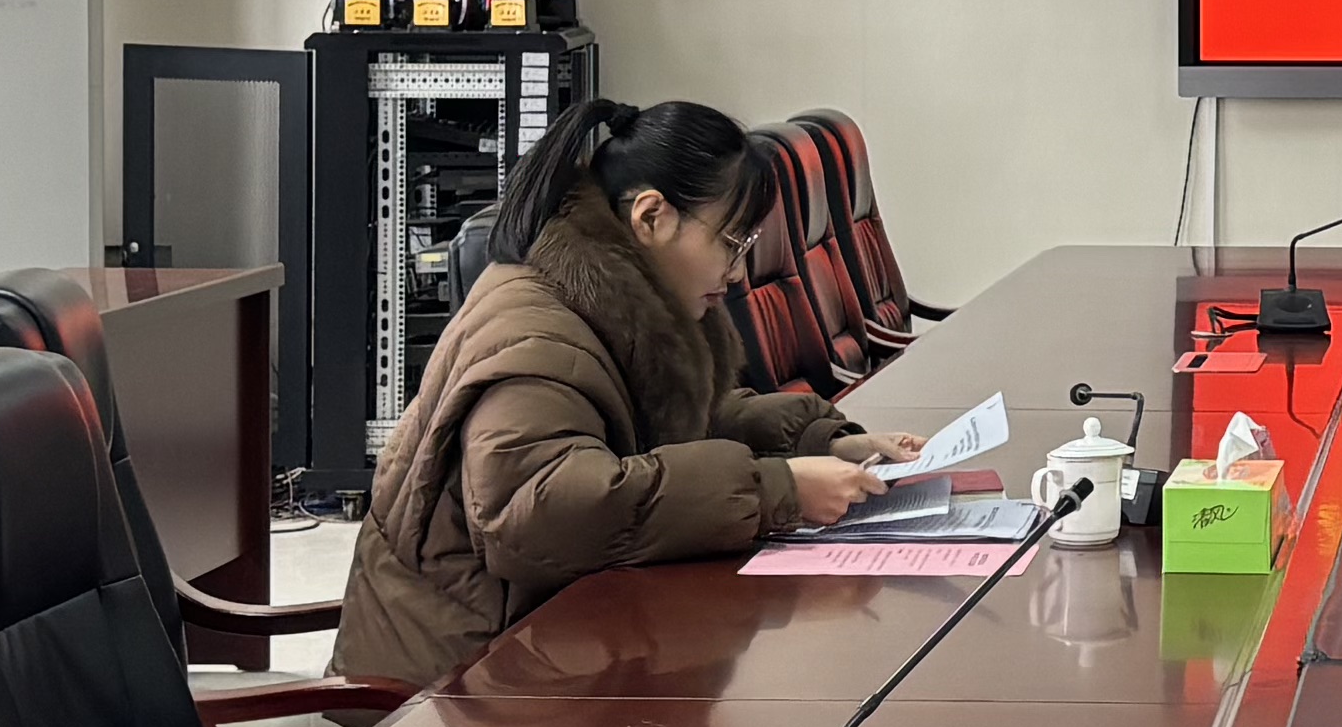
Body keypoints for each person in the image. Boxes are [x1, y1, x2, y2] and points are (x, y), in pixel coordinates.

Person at [332, 97, 917, 681]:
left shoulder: (621, 297)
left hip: (549, 643)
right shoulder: (534, 334)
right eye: (732, 244)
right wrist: (776, 490)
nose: (738, 272)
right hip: (460, 684)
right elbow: (539, 513)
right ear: (651, 216)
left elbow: (690, 414)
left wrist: (818, 443)